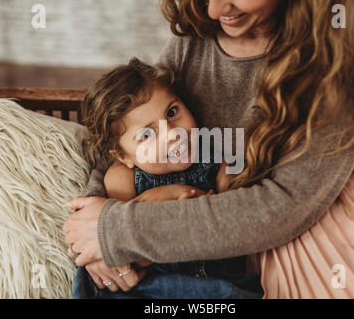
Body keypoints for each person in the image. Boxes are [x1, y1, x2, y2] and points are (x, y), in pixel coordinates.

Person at [63, 0, 354, 298]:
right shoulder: (197, 38)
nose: (215, 9)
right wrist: (97, 220)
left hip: (334, 222)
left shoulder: (338, 52)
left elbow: (284, 206)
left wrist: (119, 231)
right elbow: (122, 133)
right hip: (224, 234)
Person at [72, 58, 263, 299]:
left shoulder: (221, 165)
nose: (172, 134)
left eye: (172, 112)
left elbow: (234, 230)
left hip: (213, 284)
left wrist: (163, 208)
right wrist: (170, 198)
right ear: (123, 155)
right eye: (147, 134)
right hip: (149, 287)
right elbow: (126, 256)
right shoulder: (122, 178)